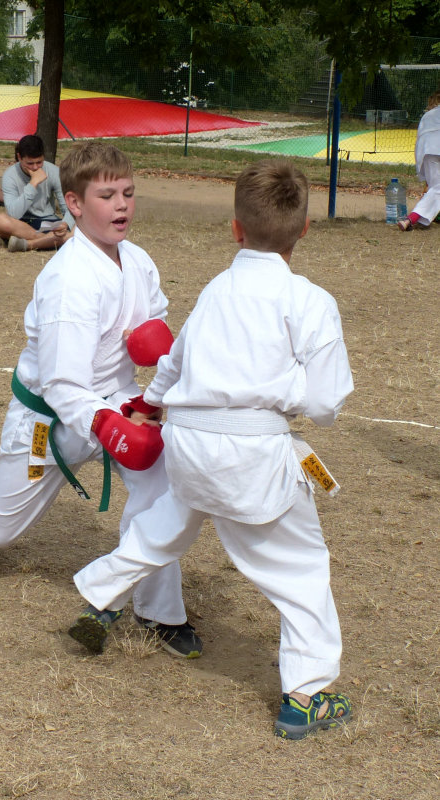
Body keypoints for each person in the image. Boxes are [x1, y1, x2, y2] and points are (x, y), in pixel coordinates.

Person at [69, 158, 354, 740]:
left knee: (167, 522)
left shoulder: (216, 290)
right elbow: (326, 403)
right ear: (304, 229)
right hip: (253, 450)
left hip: (189, 445)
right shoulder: (310, 301)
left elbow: (175, 360)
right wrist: (281, 392)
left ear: (235, 228)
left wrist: (150, 403)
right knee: (301, 569)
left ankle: (100, 594)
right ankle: (306, 696)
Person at [0, 142, 202, 660]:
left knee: (160, 487)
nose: (122, 205)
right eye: (107, 196)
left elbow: (154, 317)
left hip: (117, 399)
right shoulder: (68, 280)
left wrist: (151, 344)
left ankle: (160, 612)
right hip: (49, 417)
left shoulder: (138, 261)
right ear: (75, 204)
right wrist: (106, 426)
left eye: (128, 193)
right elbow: (62, 385)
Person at [0, 134, 75, 252]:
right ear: (19, 157)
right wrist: (33, 183)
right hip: (21, 223)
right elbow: (13, 214)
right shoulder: (10, 175)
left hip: (47, 222)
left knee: (79, 223)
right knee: (0, 221)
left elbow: (68, 207)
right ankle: (51, 241)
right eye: (30, 163)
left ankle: (28, 244)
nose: (35, 167)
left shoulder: (54, 171)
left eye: (39, 162)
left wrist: (65, 224)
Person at [398, 88, 440, 231]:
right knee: (438, 188)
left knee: (435, 187)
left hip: (427, 152)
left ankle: (419, 220)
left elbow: (420, 140)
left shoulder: (427, 116)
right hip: (434, 148)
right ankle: (411, 219)